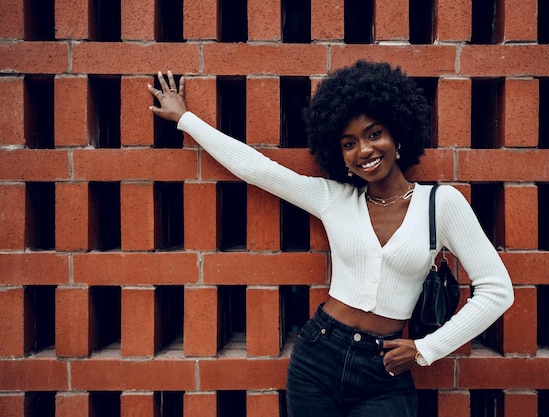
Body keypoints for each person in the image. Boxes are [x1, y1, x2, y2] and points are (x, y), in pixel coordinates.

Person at [148, 60, 514, 417]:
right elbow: (256, 169)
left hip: (384, 368)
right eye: (349, 143)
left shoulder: (441, 203)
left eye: (374, 134)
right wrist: (185, 119)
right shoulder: (334, 199)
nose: (365, 151)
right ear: (339, 154)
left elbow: (497, 290)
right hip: (318, 358)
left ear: (397, 134)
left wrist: (425, 349)